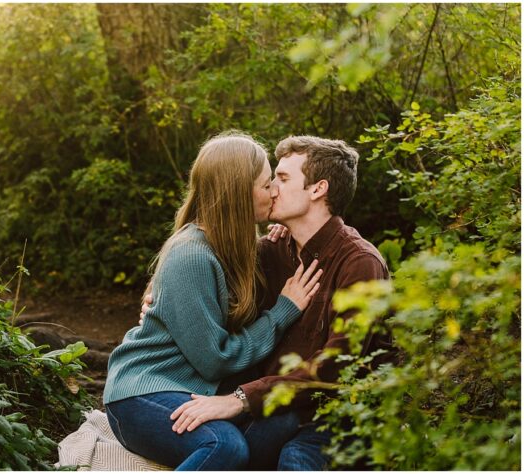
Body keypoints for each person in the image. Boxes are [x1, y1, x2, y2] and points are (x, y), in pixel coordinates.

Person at [144, 136, 391, 470]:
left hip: (335, 420)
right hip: (277, 414)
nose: (272, 188)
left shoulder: (359, 264)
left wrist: (240, 399)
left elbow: (337, 368)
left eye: (283, 179)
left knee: (293, 461)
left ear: (317, 189)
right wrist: (157, 300)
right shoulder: (271, 251)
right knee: (227, 449)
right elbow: (192, 272)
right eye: (272, 179)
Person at [102, 132, 324, 470]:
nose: (275, 190)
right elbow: (215, 360)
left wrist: (280, 233)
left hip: (194, 387)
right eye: (266, 185)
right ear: (238, 193)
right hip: (143, 392)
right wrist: (284, 311)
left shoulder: (237, 245)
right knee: (225, 444)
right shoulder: (191, 256)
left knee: (281, 421)